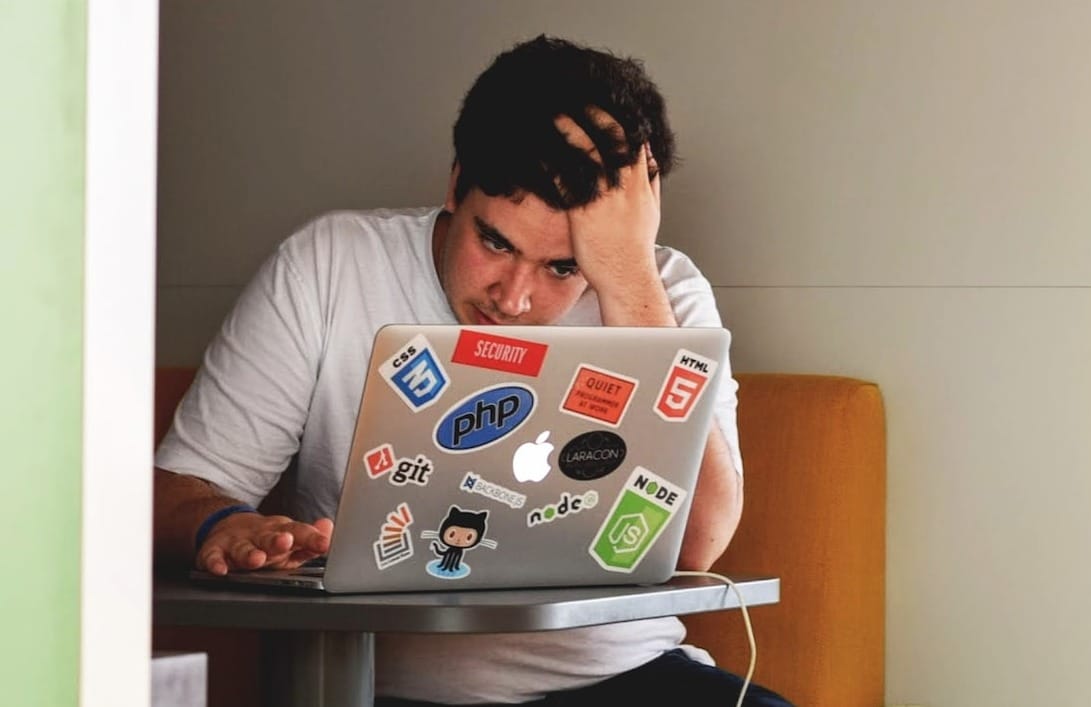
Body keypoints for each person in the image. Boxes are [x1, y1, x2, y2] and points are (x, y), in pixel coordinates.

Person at [150, 35, 792, 706]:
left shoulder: (661, 291)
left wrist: (628, 279)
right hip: (370, 685)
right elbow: (176, 492)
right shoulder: (330, 265)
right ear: (456, 183)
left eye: (563, 266)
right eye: (495, 241)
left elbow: (699, 545)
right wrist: (219, 524)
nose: (513, 298)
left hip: (622, 678)